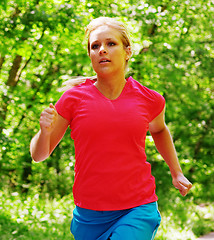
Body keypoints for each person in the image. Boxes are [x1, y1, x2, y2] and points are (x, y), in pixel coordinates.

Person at [30, 17, 192, 240]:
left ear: (127, 51)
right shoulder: (72, 99)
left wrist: (177, 172)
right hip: (89, 214)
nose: (102, 50)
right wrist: (44, 131)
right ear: (90, 56)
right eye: (95, 46)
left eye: (111, 44)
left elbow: (159, 130)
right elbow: (39, 155)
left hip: (138, 207)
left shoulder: (149, 99)